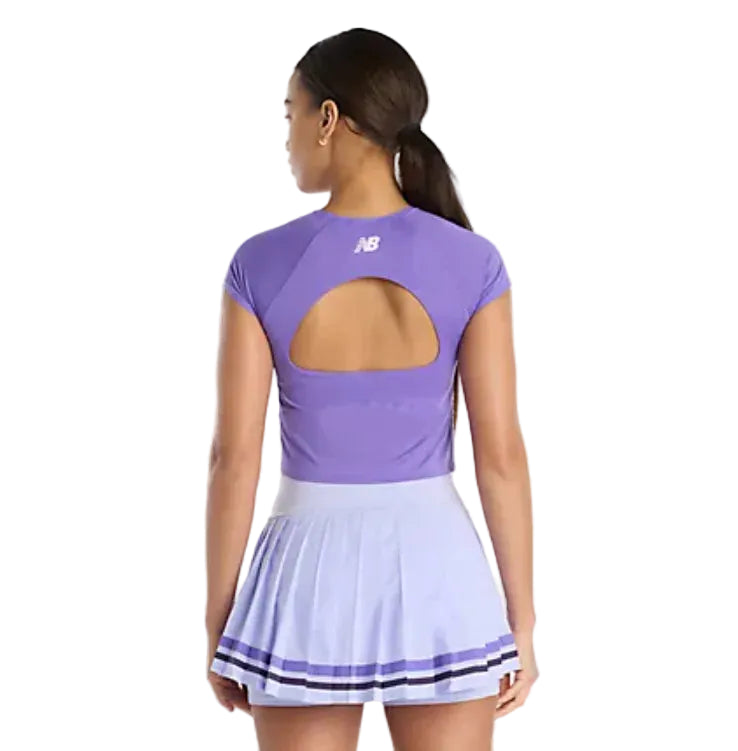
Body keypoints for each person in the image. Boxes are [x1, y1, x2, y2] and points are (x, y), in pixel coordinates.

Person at [205, 27, 538, 751]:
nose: (287, 138)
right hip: (440, 571)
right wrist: (523, 618)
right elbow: (502, 456)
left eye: (290, 113)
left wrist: (219, 622)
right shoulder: (472, 261)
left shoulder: (261, 264)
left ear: (328, 118)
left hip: (303, 574)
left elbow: (233, 460)